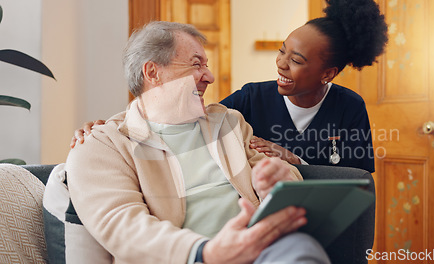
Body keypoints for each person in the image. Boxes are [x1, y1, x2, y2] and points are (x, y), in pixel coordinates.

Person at [65, 21, 331, 264]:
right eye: (196, 64)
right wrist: (206, 253)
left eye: (206, 65)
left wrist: (277, 183)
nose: (210, 76)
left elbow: (289, 190)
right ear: (152, 72)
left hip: (258, 252)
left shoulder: (228, 123)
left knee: (301, 248)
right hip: (186, 258)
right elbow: (124, 226)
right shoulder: (103, 145)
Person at [71, 0, 387, 173]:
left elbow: (358, 180)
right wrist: (111, 126)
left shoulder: (349, 107)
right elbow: (190, 119)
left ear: (327, 74)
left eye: (298, 60)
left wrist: (294, 159)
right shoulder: (251, 96)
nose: (281, 64)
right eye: (281, 51)